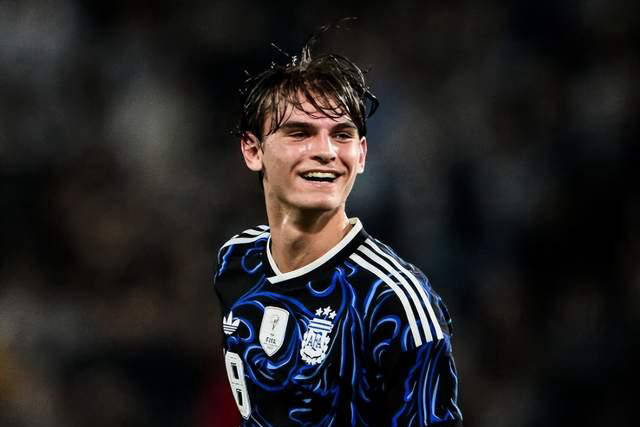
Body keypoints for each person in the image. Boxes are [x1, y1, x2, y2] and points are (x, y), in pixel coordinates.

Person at [213, 36, 463, 426]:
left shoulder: (392, 301)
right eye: (299, 133)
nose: (326, 151)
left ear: (361, 155)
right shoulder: (237, 261)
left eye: (342, 134)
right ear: (253, 150)